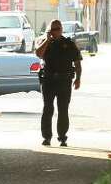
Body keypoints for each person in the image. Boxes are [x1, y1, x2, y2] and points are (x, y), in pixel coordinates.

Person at [35, 19, 82, 147]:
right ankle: (46, 137)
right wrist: (48, 40)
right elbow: (39, 54)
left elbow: (77, 63)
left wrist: (78, 78)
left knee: (63, 110)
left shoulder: (69, 44)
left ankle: (62, 137)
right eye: (52, 29)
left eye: (57, 29)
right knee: (48, 108)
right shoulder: (43, 42)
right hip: (48, 81)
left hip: (64, 81)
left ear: (61, 30)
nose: (54, 32)